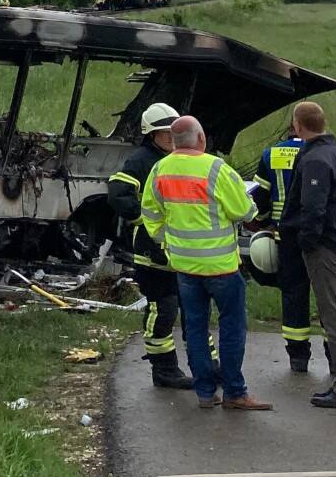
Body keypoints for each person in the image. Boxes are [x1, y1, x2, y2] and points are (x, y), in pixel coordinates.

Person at [143, 115, 271, 411]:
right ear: (200, 139)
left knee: (196, 329)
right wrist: (251, 208)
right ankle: (235, 392)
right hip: (221, 267)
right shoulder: (216, 168)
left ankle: (204, 392)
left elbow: (150, 213)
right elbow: (243, 210)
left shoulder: (159, 169)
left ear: (174, 141)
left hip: (185, 267)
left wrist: (168, 240)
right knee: (231, 328)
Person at [279, 101, 336, 409]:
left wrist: (306, 242)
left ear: (298, 125)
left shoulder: (316, 160)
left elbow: (313, 209)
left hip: (328, 248)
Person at [107, 102, 192, 389]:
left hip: (184, 251)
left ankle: (209, 367)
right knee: (163, 308)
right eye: (165, 134)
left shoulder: (185, 159)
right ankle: (164, 369)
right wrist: (145, 220)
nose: (171, 138)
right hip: (152, 253)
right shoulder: (141, 161)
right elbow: (118, 194)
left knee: (194, 309)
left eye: (174, 133)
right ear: (151, 135)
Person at [258, 121, 316, 372]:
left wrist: (263, 223)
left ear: (291, 128)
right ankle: (334, 354)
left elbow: (261, 197)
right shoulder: (320, 152)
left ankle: (298, 355)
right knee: (328, 297)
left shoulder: (271, 154)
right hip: (318, 235)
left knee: (293, 294)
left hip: (285, 235)